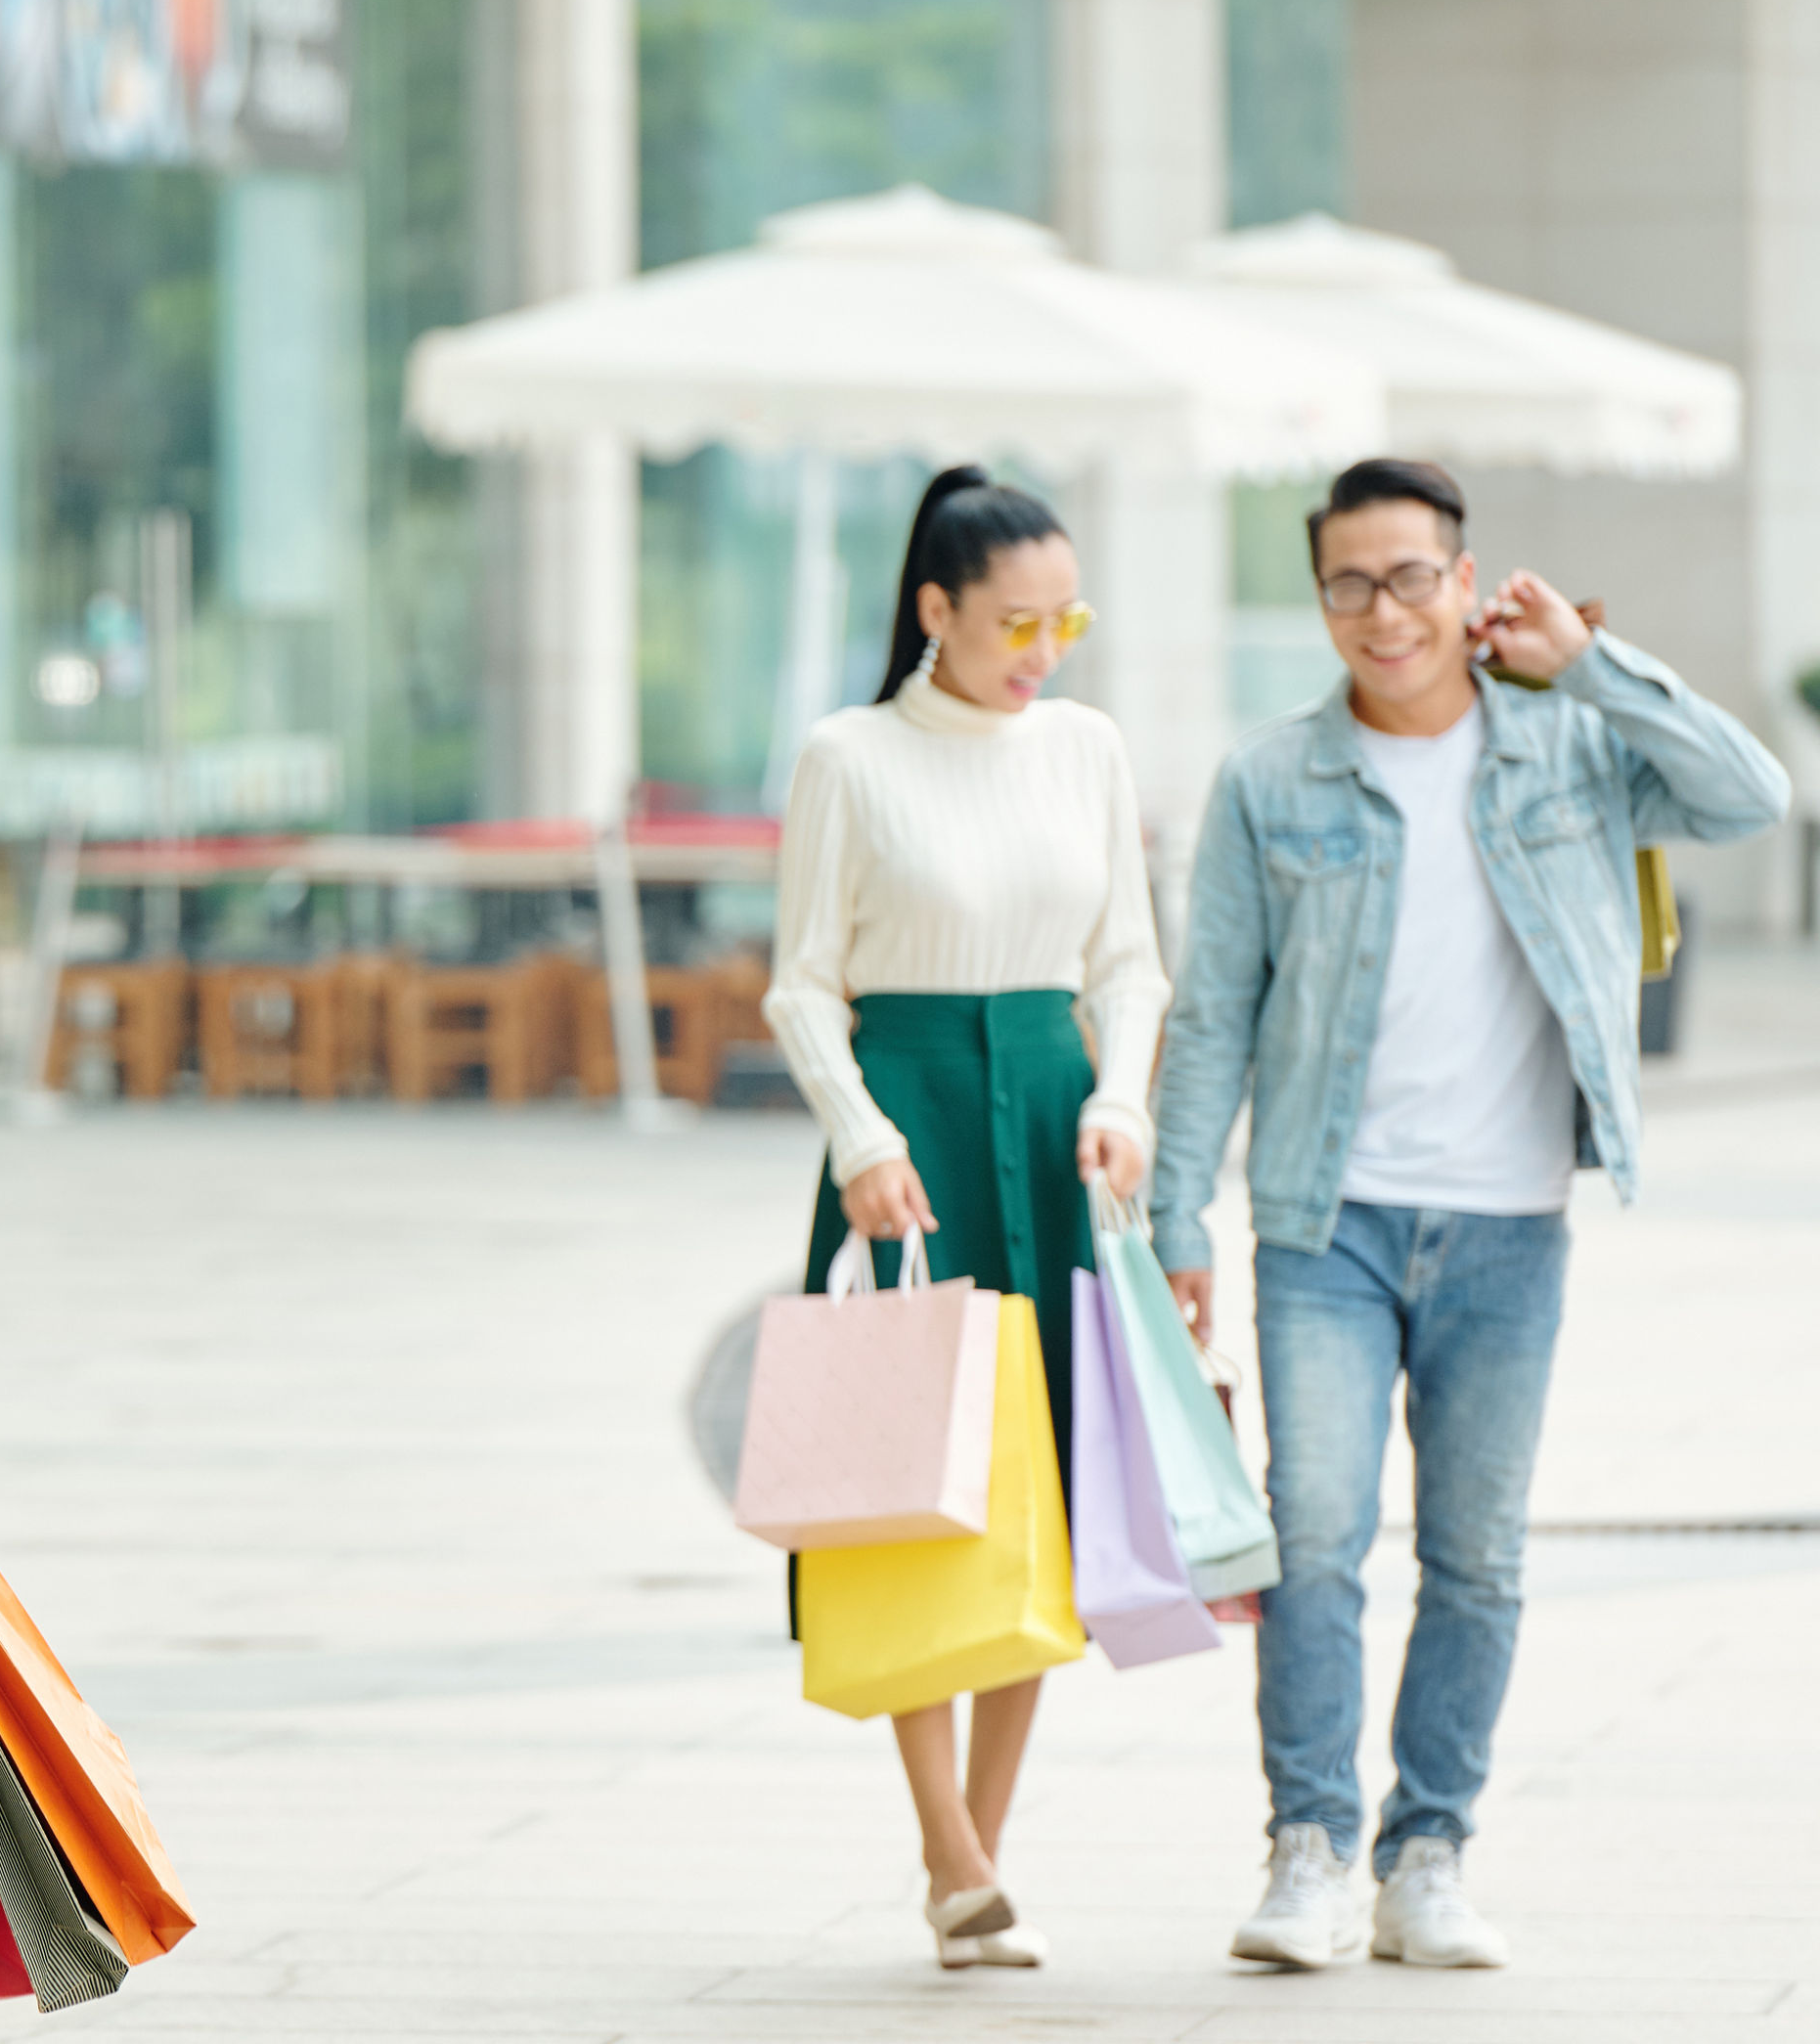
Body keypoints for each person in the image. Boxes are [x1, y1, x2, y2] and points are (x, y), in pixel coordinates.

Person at [1155, 459, 1791, 1972]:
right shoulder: (1269, 781)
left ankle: (1426, 1854)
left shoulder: (1568, 745)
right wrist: (1178, 1213)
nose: (1384, 615)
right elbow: (1209, 1016)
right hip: (1326, 1218)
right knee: (1310, 1541)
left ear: (1466, 578)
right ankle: (1307, 1848)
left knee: (1478, 1554)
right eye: (1348, 586)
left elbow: (1752, 794)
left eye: (1412, 578)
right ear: (1321, 601)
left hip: (1509, 1223)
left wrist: (1595, 662)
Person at [763, 465, 1171, 1973]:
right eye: (1014, 620)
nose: (1043, 648)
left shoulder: (1086, 749)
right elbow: (803, 982)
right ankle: (946, 1843)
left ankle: (977, 1859)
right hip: (912, 1129)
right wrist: (859, 1136)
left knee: (1037, 1492)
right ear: (934, 609)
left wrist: (1122, 1097)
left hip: (1062, 1132)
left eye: (1065, 617)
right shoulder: (849, 756)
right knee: (903, 1487)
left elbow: (1129, 960)